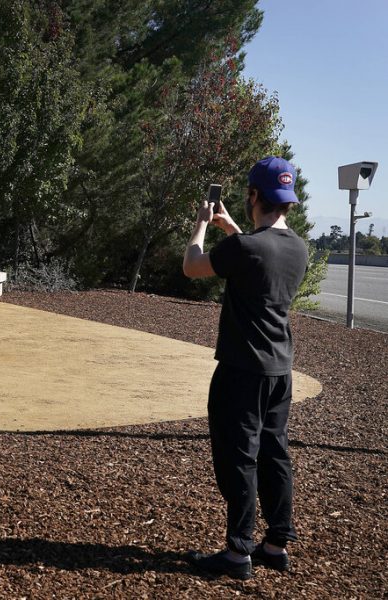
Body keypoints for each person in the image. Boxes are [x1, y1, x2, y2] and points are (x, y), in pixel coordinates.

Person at [181, 156, 309, 580]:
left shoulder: (246, 247)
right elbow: (258, 256)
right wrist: (233, 228)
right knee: (275, 453)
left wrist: (202, 223)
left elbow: (192, 266)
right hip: (279, 372)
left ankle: (237, 553)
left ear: (254, 195)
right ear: (286, 200)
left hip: (241, 372)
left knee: (239, 459)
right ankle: (276, 544)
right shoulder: (298, 247)